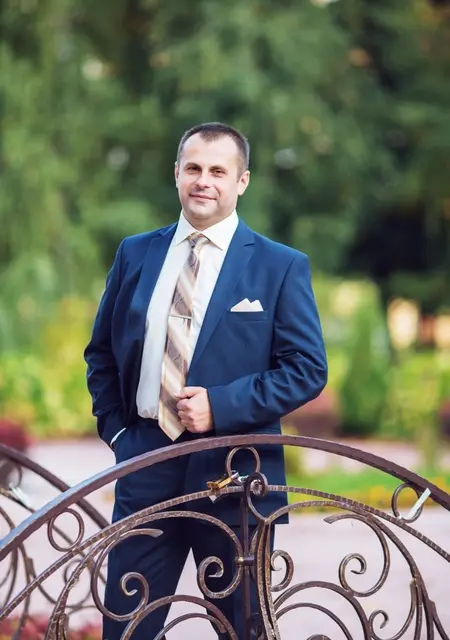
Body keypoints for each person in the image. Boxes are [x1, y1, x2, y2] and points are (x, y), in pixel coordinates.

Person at [84, 122, 327, 639]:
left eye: (218, 171)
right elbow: (101, 353)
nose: (204, 181)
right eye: (193, 168)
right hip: (145, 464)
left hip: (236, 473)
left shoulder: (280, 266)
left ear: (242, 181)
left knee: (243, 630)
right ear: (176, 173)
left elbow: (307, 368)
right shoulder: (135, 253)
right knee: (126, 628)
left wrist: (222, 405)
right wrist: (119, 434)